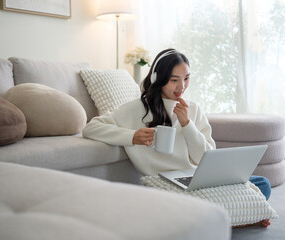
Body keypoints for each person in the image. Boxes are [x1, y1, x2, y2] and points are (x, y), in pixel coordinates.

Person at [82, 48, 271, 227]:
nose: (182, 86)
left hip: (196, 177)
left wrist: (187, 125)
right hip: (165, 183)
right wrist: (132, 136)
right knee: (183, 207)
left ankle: (226, 216)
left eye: (186, 78)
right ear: (158, 79)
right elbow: (91, 128)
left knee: (262, 184)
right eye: (174, 80)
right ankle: (233, 217)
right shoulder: (136, 109)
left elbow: (206, 156)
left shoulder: (193, 109)